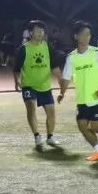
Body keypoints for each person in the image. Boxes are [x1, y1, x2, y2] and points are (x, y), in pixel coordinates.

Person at [57, 21, 98, 162]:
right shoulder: (71, 57)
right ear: (76, 36)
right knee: (82, 126)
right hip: (83, 99)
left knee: (95, 126)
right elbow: (66, 78)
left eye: (89, 34)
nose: (87, 37)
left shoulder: (96, 52)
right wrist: (62, 93)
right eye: (84, 34)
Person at [14, 20, 62, 148]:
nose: (40, 33)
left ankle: (50, 137)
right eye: (37, 30)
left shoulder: (47, 46)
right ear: (30, 33)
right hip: (29, 85)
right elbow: (17, 68)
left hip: (45, 85)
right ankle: (37, 136)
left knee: (51, 113)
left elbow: (54, 65)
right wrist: (17, 80)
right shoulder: (24, 49)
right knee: (31, 108)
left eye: (42, 30)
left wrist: (60, 78)